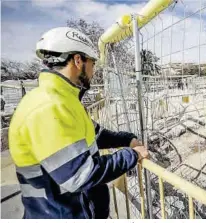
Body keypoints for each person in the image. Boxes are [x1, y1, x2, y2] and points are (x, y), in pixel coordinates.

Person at [8, 27, 149, 219]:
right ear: (77, 60)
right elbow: (80, 176)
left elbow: (96, 134)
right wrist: (131, 155)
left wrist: (128, 139)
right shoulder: (49, 107)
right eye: (92, 63)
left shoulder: (64, 100)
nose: (93, 70)